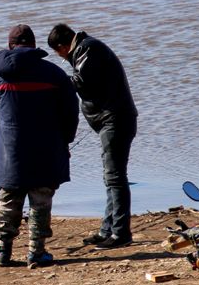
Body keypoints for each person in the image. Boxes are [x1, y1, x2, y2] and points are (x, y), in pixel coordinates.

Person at [0, 24, 78, 268]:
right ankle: (37, 253)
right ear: (35, 46)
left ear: (10, 46)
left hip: (10, 150)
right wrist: (66, 141)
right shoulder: (55, 74)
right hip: (47, 148)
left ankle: (2, 252)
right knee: (41, 200)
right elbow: (70, 113)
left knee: (9, 199)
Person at [47, 23, 137, 248]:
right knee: (111, 177)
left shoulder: (89, 49)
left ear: (63, 46)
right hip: (111, 120)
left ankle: (121, 234)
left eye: (58, 53)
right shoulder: (85, 50)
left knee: (115, 177)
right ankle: (108, 230)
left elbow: (80, 81)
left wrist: (53, 80)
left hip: (115, 120)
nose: (60, 57)